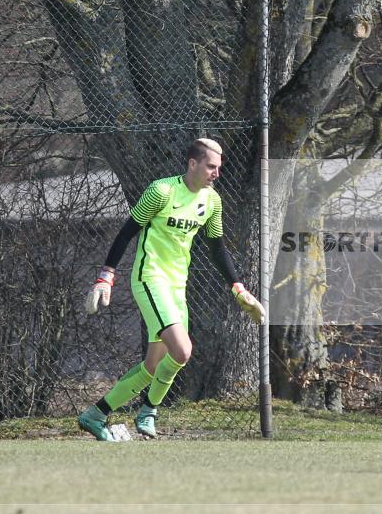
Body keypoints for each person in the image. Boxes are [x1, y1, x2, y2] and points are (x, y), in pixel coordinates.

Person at [78, 138, 265, 442]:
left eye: (219, 167)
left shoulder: (212, 201)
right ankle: (149, 412)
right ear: (193, 164)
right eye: (211, 166)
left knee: (152, 367)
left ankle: (96, 414)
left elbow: (217, 249)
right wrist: (106, 275)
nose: (216, 173)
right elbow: (128, 231)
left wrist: (238, 288)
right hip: (150, 278)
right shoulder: (162, 191)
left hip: (177, 285)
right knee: (183, 350)